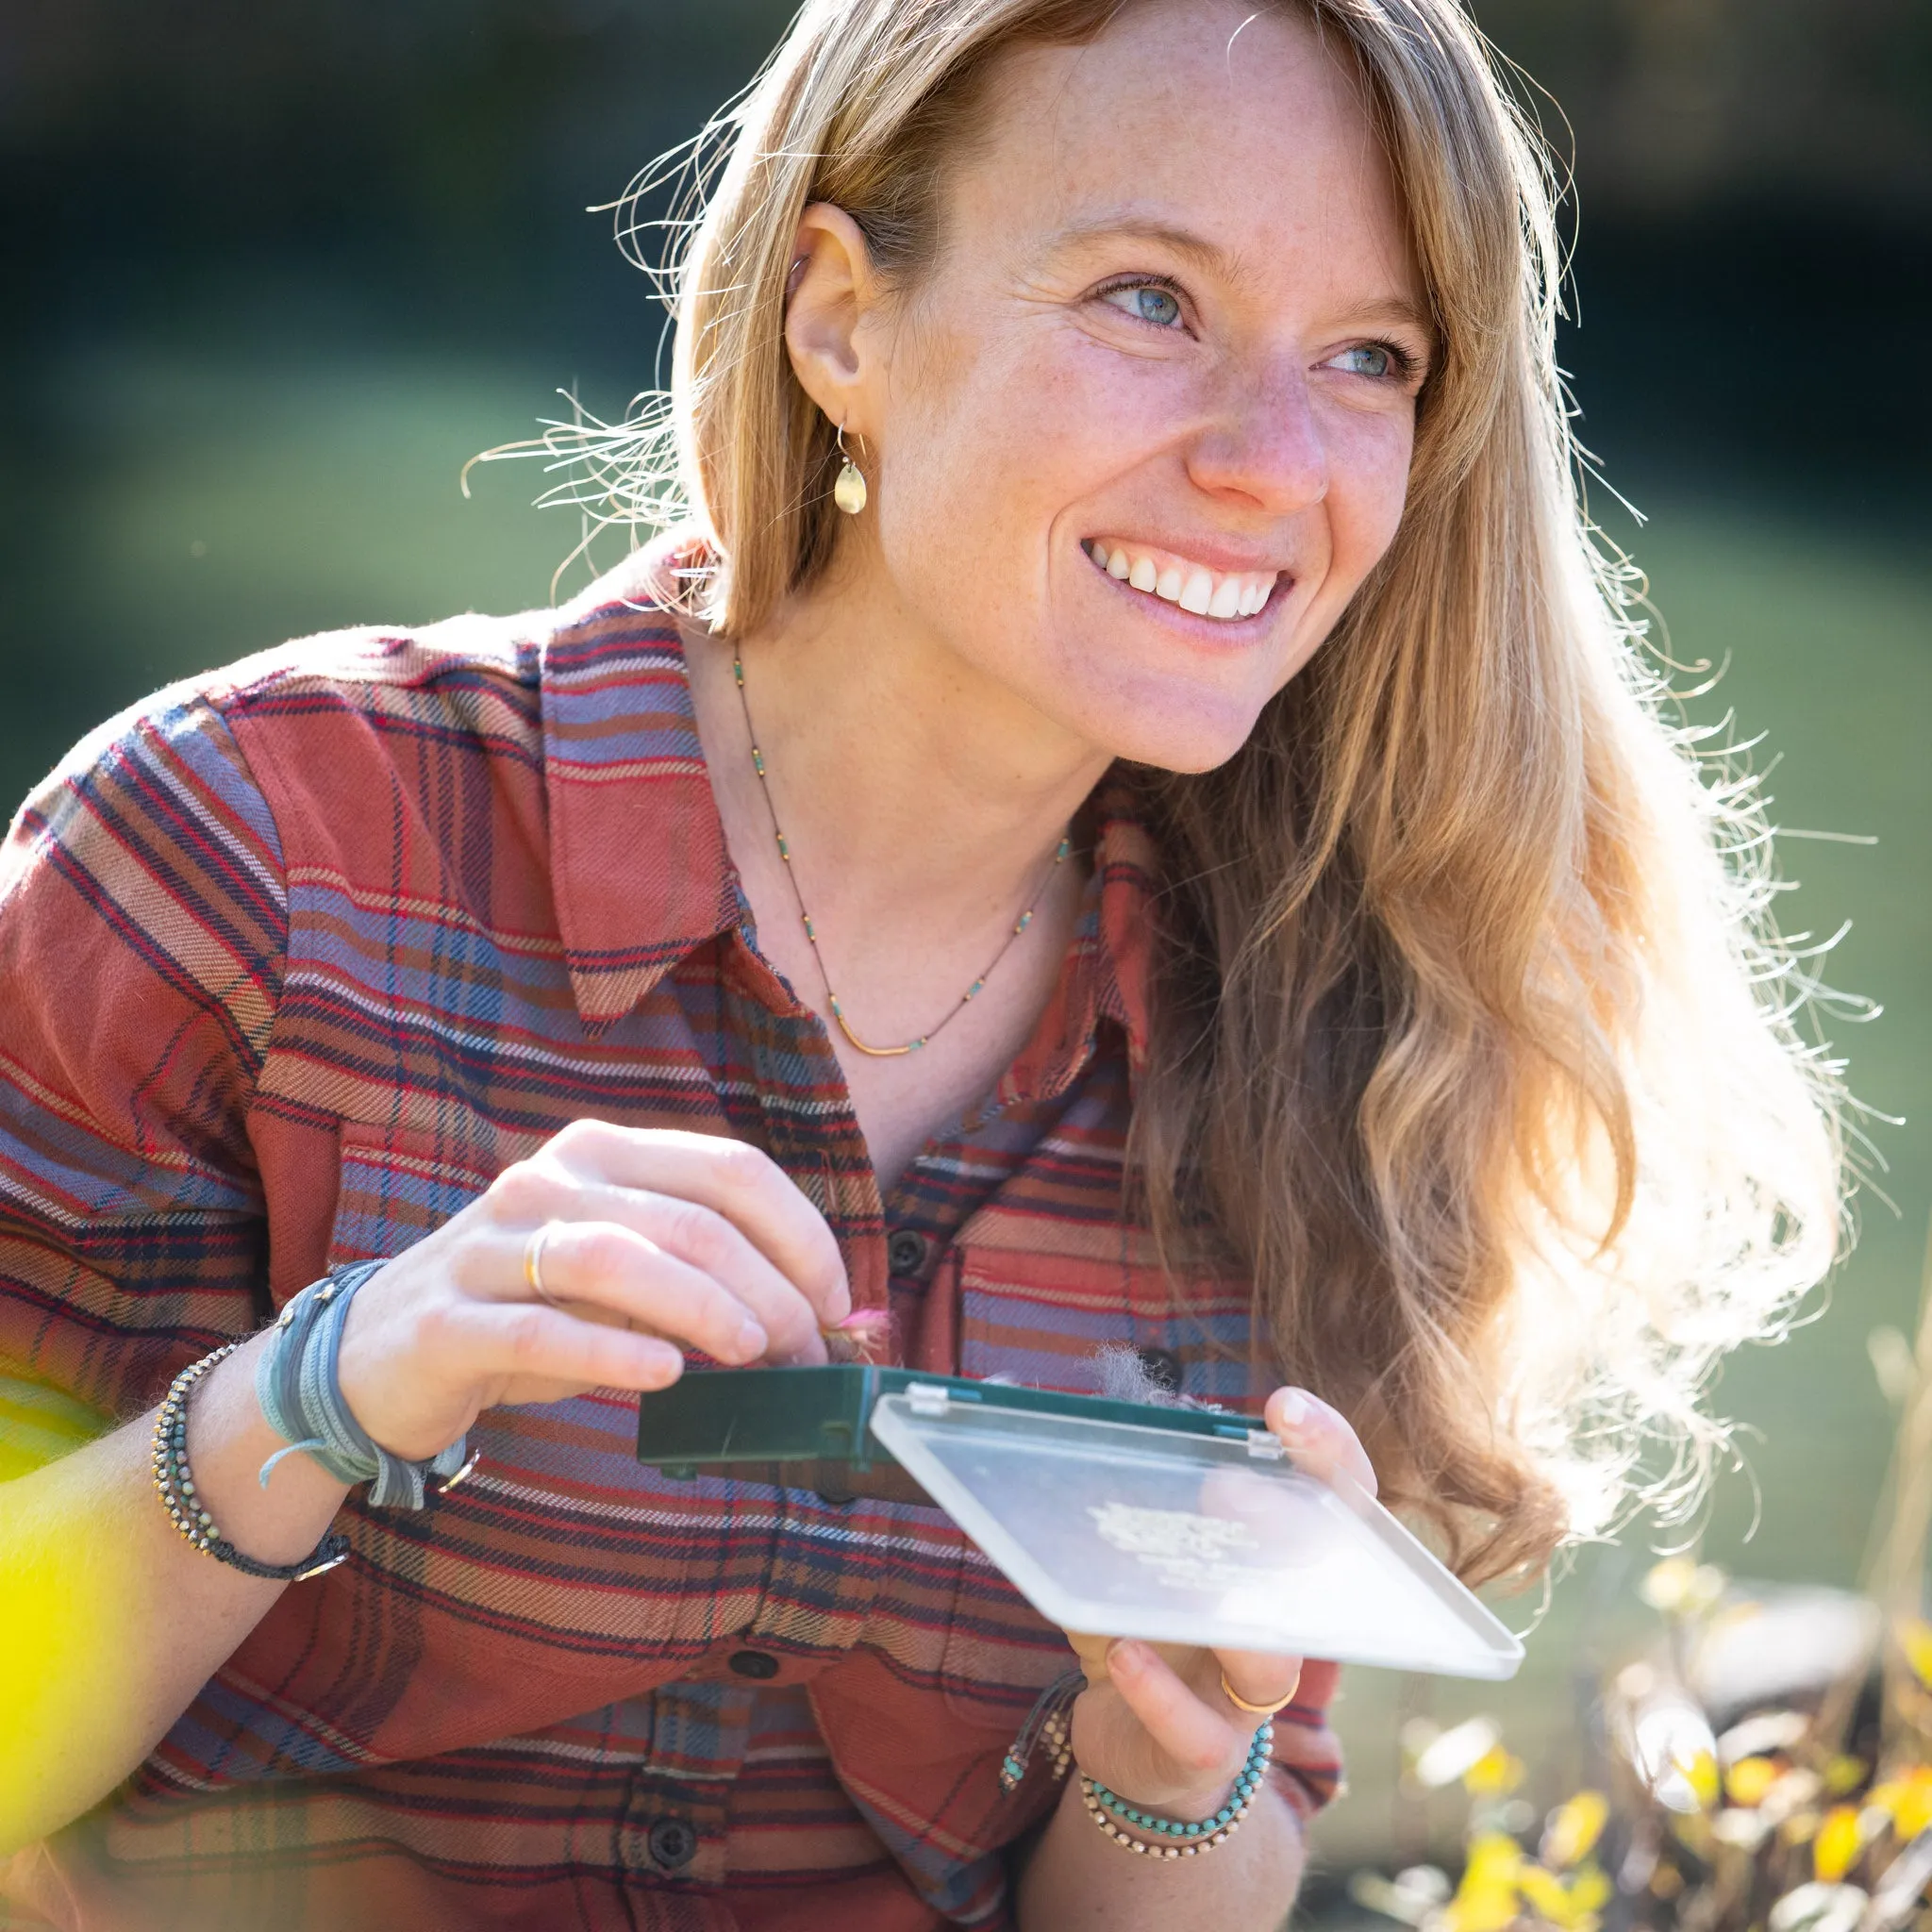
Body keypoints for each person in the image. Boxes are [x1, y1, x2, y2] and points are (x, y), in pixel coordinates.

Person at [0, 0, 1842, 1926]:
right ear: (839, 319)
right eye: (1148, 299)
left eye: (1369, 357)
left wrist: (1172, 1767)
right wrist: (328, 1390)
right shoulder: (249, 844)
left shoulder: (1327, 1039)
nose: (1271, 459)